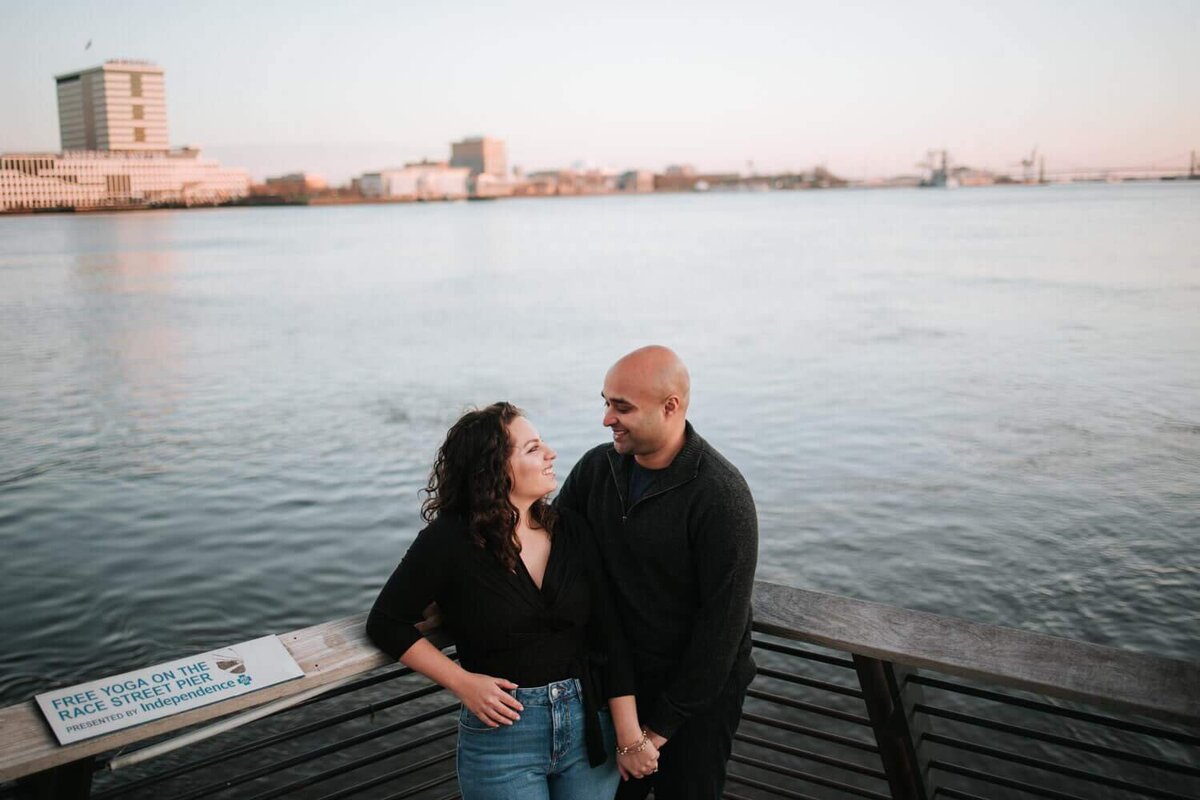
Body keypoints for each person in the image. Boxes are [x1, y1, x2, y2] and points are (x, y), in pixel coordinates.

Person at [366, 402, 659, 800]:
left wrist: (628, 736)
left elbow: (609, 634)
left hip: (588, 725)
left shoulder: (572, 529)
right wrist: (462, 683)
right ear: (494, 468)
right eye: (533, 448)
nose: (551, 453)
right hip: (503, 737)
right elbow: (386, 621)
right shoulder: (449, 540)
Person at [556, 346, 759, 800]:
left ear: (671, 407)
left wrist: (656, 732)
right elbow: (547, 541)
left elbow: (721, 629)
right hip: (618, 688)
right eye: (606, 402)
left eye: (621, 407)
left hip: (696, 706)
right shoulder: (597, 468)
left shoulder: (721, 496)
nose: (607, 418)